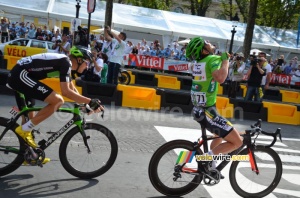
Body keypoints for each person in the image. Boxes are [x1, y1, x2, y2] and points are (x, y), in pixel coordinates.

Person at [6, 45, 104, 164]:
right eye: (87, 62)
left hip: (22, 75)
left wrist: (85, 105)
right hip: (21, 75)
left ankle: (29, 156)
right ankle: (24, 130)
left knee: (30, 120)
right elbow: (66, 92)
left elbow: (71, 88)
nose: (88, 66)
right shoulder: (65, 62)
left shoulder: (65, 64)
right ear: (79, 60)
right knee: (58, 101)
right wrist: (90, 101)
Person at [185, 37, 243, 172]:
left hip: (198, 109)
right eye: (207, 43)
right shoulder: (212, 59)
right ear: (204, 50)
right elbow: (221, 78)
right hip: (207, 111)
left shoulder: (198, 63)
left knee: (220, 135)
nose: (210, 43)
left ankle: (210, 165)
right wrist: (225, 60)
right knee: (237, 142)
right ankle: (206, 158)